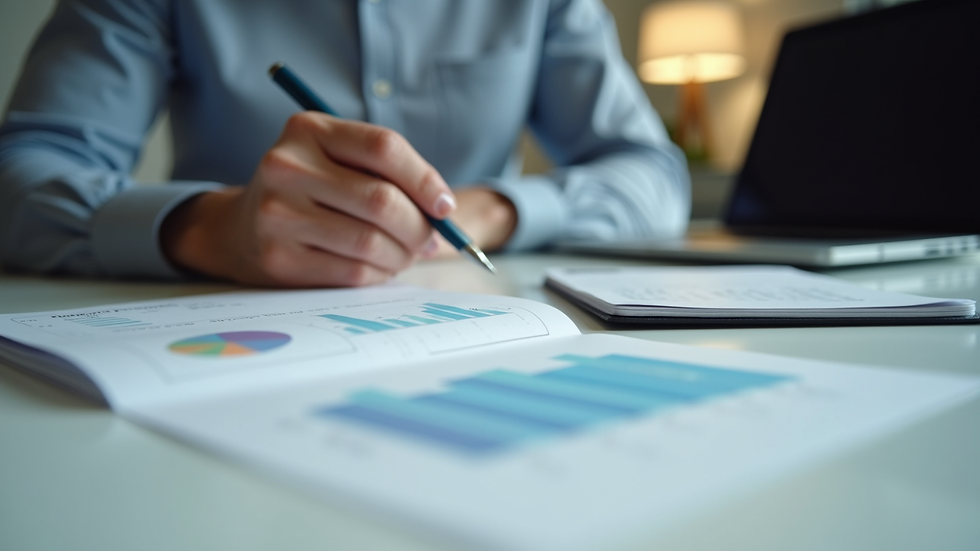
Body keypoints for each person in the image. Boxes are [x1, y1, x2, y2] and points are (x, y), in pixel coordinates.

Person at [0, 0, 690, 288]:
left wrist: (491, 210)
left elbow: (655, 176)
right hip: (219, 323)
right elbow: (20, 175)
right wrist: (209, 230)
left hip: (471, 314)